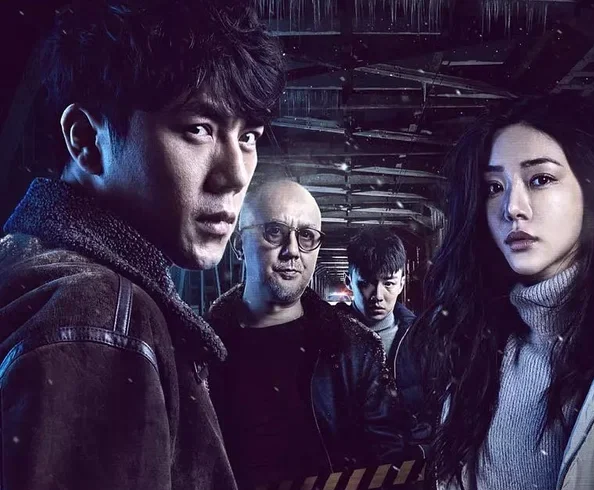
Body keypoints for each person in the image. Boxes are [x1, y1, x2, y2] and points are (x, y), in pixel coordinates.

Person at [0, 1, 284, 489]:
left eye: (249, 136)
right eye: (198, 129)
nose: (236, 175)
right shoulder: (96, 315)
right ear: (87, 140)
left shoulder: (30, 261)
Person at [410, 95, 594, 490]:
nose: (512, 208)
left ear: (592, 189)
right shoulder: (474, 348)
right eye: (494, 187)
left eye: (540, 179)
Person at [206, 179, 407, 488]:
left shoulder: (356, 349)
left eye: (307, 236)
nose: (292, 251)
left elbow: (388, 462)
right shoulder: (199, 346)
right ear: (238, 245)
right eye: (274, 232)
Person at [337, 228, 431, 456]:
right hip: (347, 467)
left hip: (409, 464)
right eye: (366, 283)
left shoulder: (421, 338)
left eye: (388, 283)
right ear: (349, 281)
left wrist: (421, 450)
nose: (378, 296)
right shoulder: (328, 337)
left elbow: (435, 407)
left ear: (401, 283)